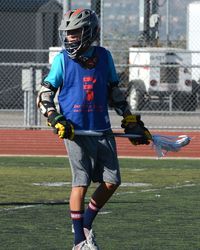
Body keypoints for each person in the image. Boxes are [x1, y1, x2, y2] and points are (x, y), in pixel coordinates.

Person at [37, 8, 152, 250]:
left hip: (101, 129)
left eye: (76, 32)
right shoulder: (62, 60)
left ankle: (86, 224)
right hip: (75, 132)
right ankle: (78, 241)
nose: (70, 37)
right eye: (67, 33)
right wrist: (55, 117)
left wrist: (129, 119)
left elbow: (114, 92)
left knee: (112, 181)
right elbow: (44, 94)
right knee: (81, 182)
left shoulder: (104, 57)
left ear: (90, 32)